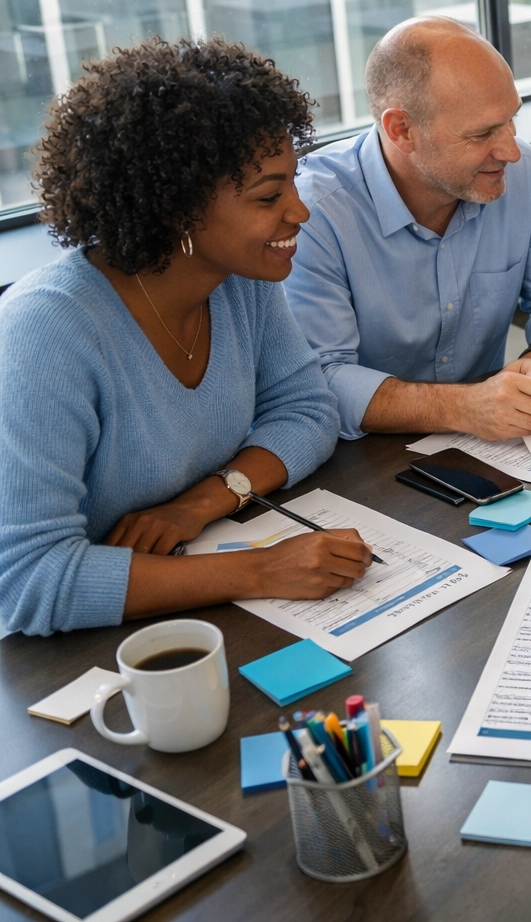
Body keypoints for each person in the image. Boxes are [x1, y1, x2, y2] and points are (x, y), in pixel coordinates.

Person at [0, 38, 366, 637]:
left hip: (187, 606)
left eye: (292, 184)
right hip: (80, 656)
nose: (300, 212)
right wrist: (260, 571)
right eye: (269, 196)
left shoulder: (235, 278)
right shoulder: (46, 331)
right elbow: (29, 579)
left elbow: (307, 410)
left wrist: (202, 503)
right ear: (176, 210)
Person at [285, 16, 531, 442]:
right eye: (482, 134)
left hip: (489, 444)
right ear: (400, 130)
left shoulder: (524, 173)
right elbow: (318, 381)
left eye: (512, 119)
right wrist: (463, 407)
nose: (511, 150)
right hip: (360, 456)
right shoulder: (314, 212)